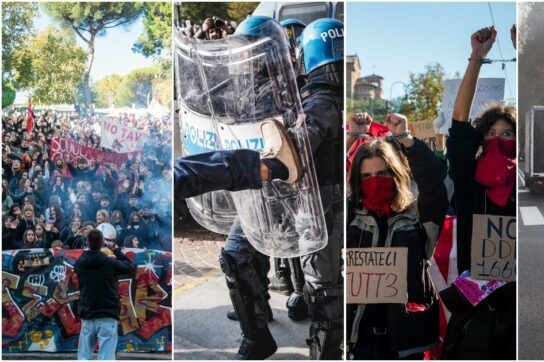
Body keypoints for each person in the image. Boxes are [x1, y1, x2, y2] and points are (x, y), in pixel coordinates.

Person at [174, 16, 344, 360]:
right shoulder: (252, 91)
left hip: (312, 196)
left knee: (322, 287)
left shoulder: (308, 95)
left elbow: (300, 142)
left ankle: (323, 351)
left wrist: (272, 164)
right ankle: (257, 335)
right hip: (262, 192)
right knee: (234, 257)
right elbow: (205, 101)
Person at [346, 113, 448, 359]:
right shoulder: (349, 216)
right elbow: (324, 180)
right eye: (366, 177)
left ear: (396, 175)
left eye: (382, 174)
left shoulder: (417, 219)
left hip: (405, 341)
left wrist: (404, 137)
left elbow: (434, 180)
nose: (375, 182)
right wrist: (353, 136)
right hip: (358, 340)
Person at [442, 25, 516, 359]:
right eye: (492, 133)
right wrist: (477, 57)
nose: (499, 139)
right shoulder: (471, 186)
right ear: (480, 141)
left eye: (508, 133)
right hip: (478, 318)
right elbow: (459, 124)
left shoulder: (521, 188)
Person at [74, 229, 135, 360]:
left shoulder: (79, 264)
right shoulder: (109, 263)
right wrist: (116, 250)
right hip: (107, 314)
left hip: (88, 313)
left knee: (84, 356)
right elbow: (129, 267)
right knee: (106, 357)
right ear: (102, 243)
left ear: (87, 242)